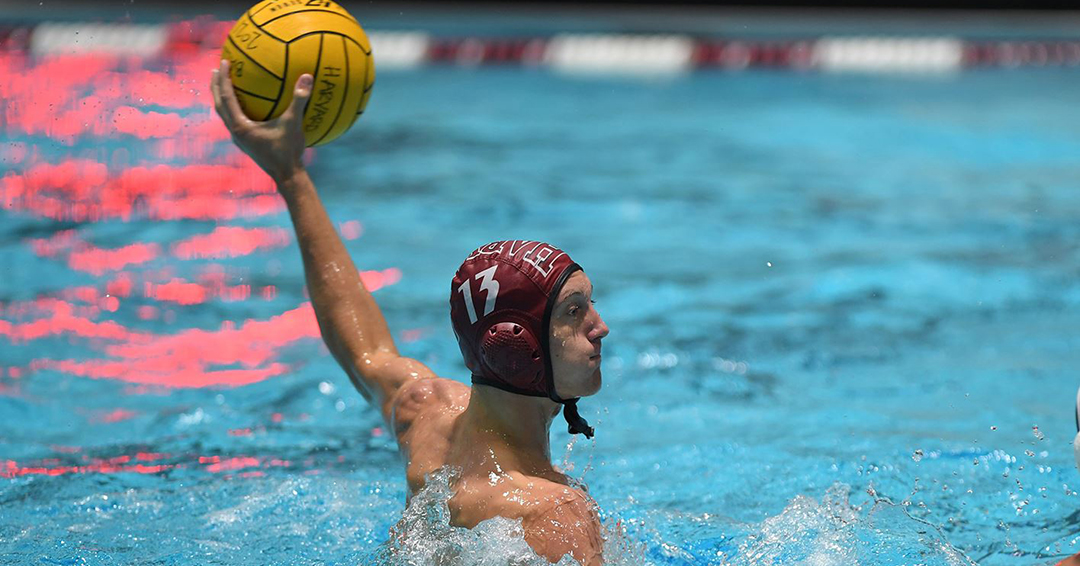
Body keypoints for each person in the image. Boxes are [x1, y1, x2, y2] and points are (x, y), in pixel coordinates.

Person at [210, 61, 610, 566]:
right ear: (517, 346)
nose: (600, 327)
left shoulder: (428, 415)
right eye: (574, 312)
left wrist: (290, 175)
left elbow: (365, 349)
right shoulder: (556, 513)